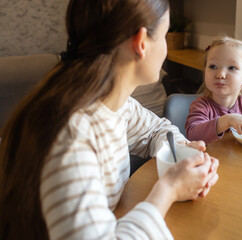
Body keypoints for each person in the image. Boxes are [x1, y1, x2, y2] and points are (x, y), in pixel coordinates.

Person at [0, 0, 219, 239]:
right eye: (165, 35)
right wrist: (168, 189)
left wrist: (179, 153)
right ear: (141, 42)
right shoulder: (70, 134)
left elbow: (157, 129)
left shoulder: (113, 104)